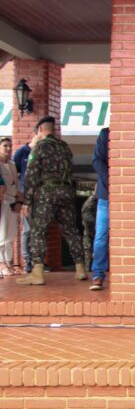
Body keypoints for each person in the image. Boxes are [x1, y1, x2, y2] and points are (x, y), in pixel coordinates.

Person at [17, 116, 87, 286]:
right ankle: (80, 269)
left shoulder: (40, 147)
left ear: (40, 130)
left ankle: (37, 272)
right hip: (66, 192)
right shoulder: (64, 147)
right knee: (71, 230)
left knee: (38, 231)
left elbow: (32, 175)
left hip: (46, 193)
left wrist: (26, 202)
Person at [13, 131, 38, 273]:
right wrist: (19, 198)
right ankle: (28, 261)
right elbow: (14, 175)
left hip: (39, 197)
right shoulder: (22, 152)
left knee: (38, 230)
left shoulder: (41, 152)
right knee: (27, 230)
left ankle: (38, 261)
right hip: (25, 197)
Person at [90, 127, 109, 291]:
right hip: (107, 195)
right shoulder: (106, 133)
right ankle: (98, 274)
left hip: (131, 194)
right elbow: (97, 161)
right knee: (101, 235)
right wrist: (113, 181)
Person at [0, 137, 20, 277]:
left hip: (13, 201)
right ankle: (2, 264)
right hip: (3, 201)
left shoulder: (12, 165)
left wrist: (19, 200)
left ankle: (9, 262)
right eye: (5, 146)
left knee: (10, 234)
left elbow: (16, 184)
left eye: (9, 146)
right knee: (1, 233)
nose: (8, 148)